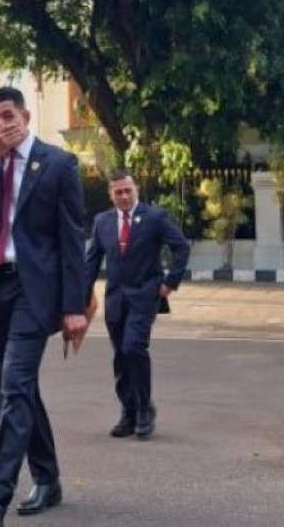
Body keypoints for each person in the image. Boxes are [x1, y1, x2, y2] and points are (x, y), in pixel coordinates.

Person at [0, 86, 87, 527]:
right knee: (22, 389)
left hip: (35, 293)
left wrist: (74, 307)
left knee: (12, 386)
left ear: (26, 116)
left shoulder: (58, 164)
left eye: (7, 116)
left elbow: (72, 241)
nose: (0, 126)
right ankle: (48, 478)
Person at [83, 168, 190, 439]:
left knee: (133, 347)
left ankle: (145, 408)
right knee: (120, 356)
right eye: (118, 192)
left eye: (128, 190)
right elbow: (91, 263)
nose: (124, 196)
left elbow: (181, 247)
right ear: (110, 195)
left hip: (145, 295)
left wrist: (170, 282)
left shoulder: (155, 217)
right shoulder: (102, 222)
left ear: (136, 190)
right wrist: (78, 299)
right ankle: (127, 412)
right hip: (115, 299)